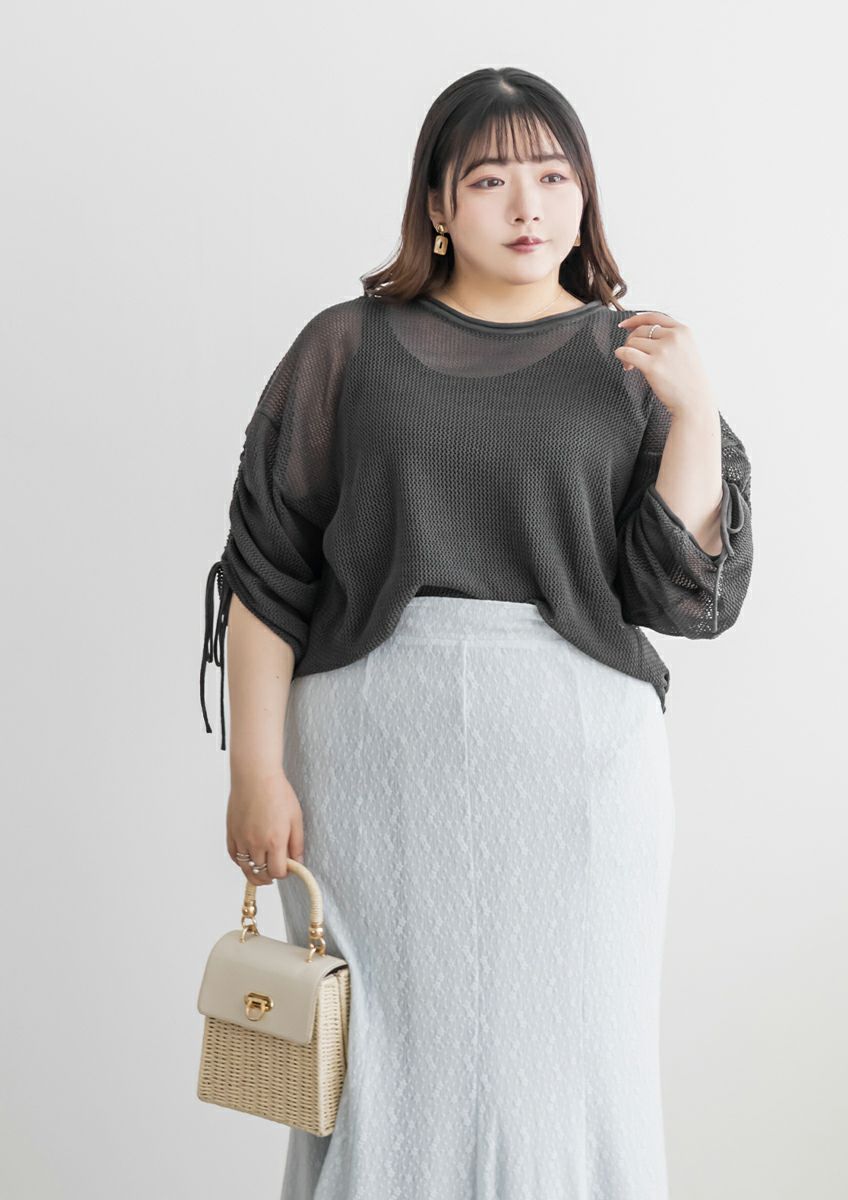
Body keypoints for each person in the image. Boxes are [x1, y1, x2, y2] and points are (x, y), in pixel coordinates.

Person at [199, 65, 753, 1200]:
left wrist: (695, 410)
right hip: (372, 758)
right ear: (438, 206)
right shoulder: (348, 347)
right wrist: (254, 769)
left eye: (553, 177)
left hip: (582, 761)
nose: (528, 206)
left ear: (585, 196)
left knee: (577, 1066)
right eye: (492, 179)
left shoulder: (633, 357)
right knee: (381, 1072)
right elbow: (267, 573)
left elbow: (682, 594)